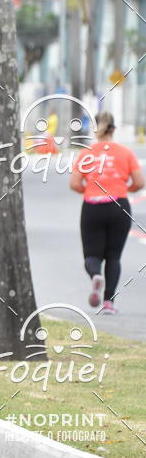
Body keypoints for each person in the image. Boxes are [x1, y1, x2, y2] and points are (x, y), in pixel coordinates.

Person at [70, 111, 144, 314]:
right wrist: (122, 190)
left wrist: (90, 190)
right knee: (114, 256)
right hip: (118, 205)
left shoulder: (86, 153)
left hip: (92, 206)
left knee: (92, 255)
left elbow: (75, 183)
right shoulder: (126, 153)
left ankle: (95, 276)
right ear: (114, 129)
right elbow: (139, 182)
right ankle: (108, 303)